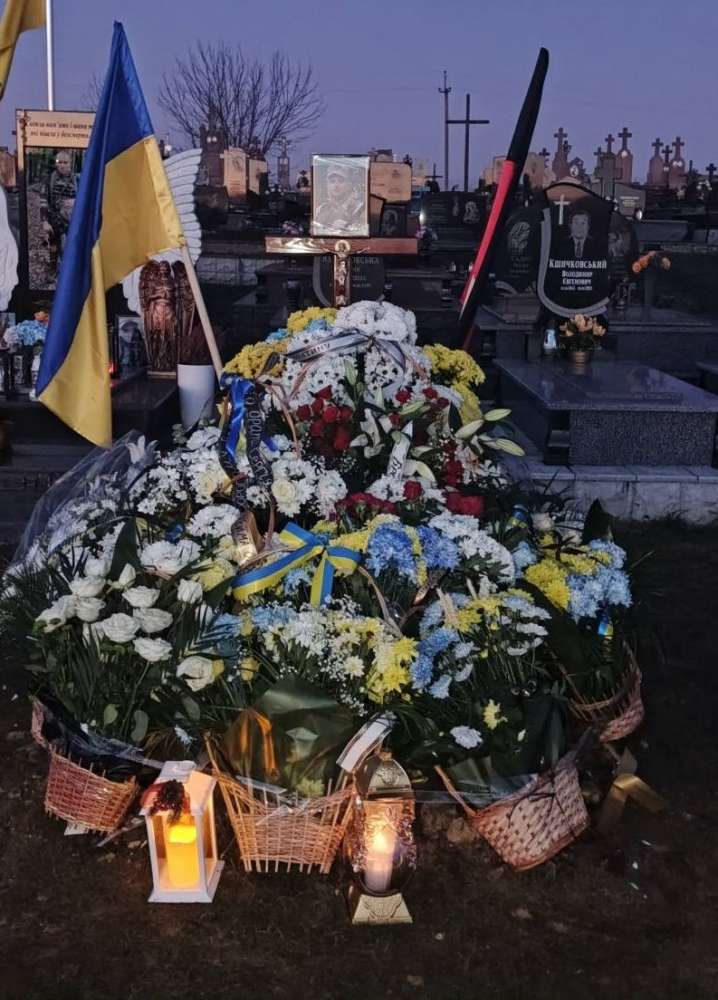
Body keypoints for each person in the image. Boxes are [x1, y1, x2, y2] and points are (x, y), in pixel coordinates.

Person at [313, 161, 367, 236]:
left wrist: (347, 229)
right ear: (327, 185)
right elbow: (315, 234)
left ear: (349, 185)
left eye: (341, 181)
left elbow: (363, 234)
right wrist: (331, 230)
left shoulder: (359, 208)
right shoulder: (321, 209)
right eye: (332, 181)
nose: (336, 185)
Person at [46, 149, 78, 257]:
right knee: (54, 253)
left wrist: (75, 202)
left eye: (65, 162)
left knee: (71, 252)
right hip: (55, 223)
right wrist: (44, 221)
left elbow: (85, 199)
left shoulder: (77, 179)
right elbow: (44, 200)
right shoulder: (50, 179)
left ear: (70, 163)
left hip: (72, 223)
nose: (62, 165)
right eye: (59, 162)